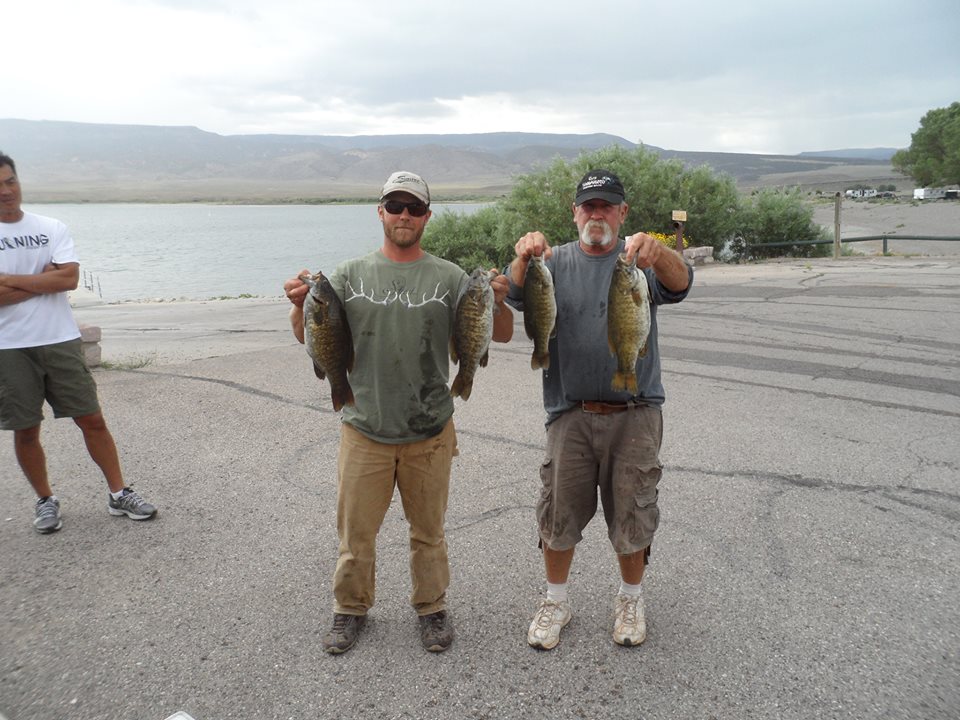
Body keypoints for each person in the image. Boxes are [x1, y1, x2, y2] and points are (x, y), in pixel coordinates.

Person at [284, 170, 513, 654]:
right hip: (364, 426)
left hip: (430, 428)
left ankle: (432, 608)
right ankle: (349, 610)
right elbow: (311, 335)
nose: (404, 216)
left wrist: (500, 302)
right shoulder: (345, 276)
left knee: (428, 532)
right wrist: (298, 307)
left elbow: (502, 334)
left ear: (427, 216)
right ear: (380, 212)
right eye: (395, 206)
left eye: (414, 208)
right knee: (355, 533)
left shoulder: (451, 277)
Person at [504, 168, 693, 650]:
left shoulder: (638, 263)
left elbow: (682, 283)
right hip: (569, 413)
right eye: (588, 205)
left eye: (607, 205)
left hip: (636, 412)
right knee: (558, 513)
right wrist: (523, 254)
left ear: (622, 213)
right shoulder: (554, 262)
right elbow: (515, 291)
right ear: (574, 212)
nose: (597, 213)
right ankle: (556, 600)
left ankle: (630, 599)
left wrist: (661, 250)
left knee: (634, 512)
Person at [0, 152, 157, 534]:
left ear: (19, 181)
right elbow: (51, 281)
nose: (6, 191)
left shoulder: (51, 226)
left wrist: (11, 281)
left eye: (10, 181)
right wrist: (43, 279)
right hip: (9, 345)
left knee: (92, 419)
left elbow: (69, 279)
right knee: (26, 428)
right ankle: (45, 499)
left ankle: (118, 492)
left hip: (60, 339)